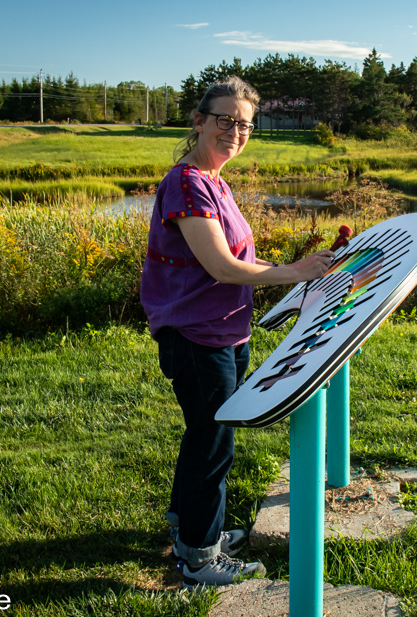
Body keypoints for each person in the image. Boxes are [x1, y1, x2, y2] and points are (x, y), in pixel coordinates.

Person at [140, 76, 333, 590]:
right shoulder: (187, 183)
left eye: (245, 124)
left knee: (205, 433)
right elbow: (223, 268)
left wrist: (303, 270)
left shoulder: (215, 182)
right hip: (197, 337)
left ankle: (190, 526)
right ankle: (199, 558)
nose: (236, 131)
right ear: (199, 121)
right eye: (225, 120)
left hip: (224, 333)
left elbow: (242, 261)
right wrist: (294, 271)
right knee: (214, 442)